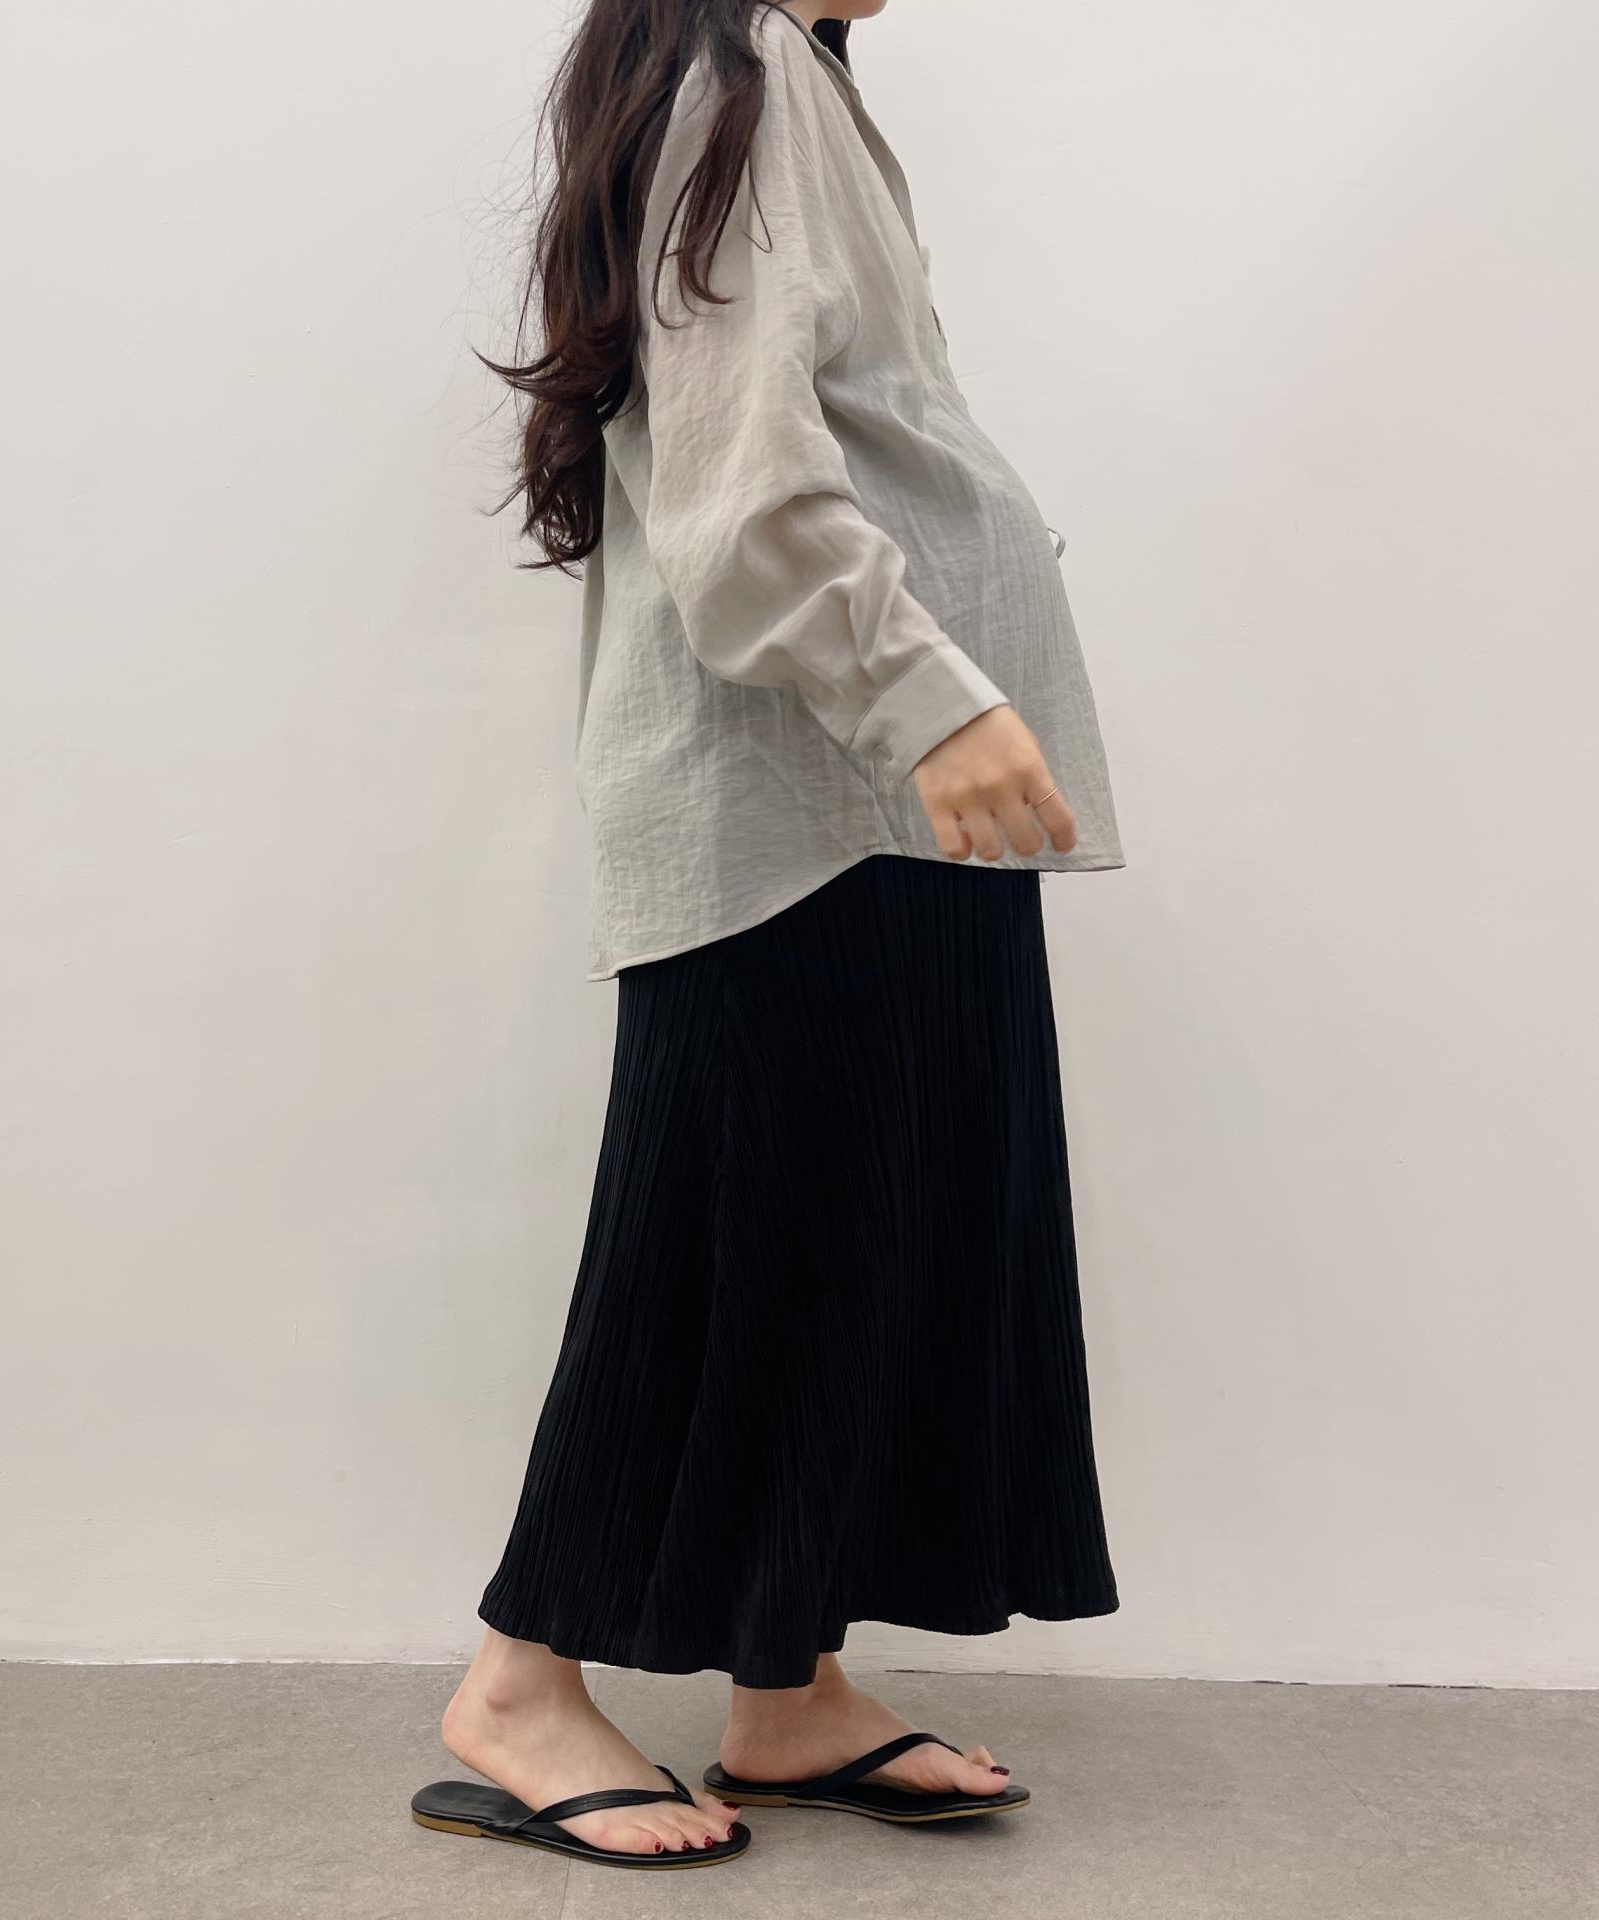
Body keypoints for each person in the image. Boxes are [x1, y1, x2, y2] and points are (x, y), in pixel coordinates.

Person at [410, 0, 1124, 1871]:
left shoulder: (782, 77)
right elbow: (744, 492)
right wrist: (931, 702)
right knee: (716, 1246)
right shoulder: (727, 81)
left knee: (858, 1243)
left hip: (869, 791)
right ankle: (517, 1686)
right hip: (806, 790)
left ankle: (787, 1692)